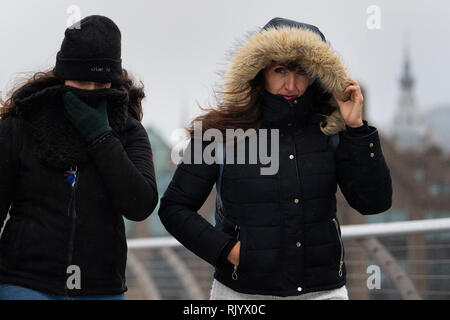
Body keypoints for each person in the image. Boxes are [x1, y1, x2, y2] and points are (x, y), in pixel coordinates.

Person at [158, 17, 392, 300]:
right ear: (260, 71)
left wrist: (356, 128)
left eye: (301, 72)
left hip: (323, 292)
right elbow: (174, 208)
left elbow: (374, 202)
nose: (290, 84)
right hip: (243, 294)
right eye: (280, 70)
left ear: (316, 75)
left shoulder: (331, 131)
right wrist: (227, 251)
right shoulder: (219, 133)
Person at [0, 15, 158, 300]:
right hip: (25, 283)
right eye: (82, 82)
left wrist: (101, 137)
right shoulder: (21, 125)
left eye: (101, 84)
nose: (90, 92)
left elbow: (141, 204)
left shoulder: (129, 131)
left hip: (101, 289)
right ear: (63, 75)